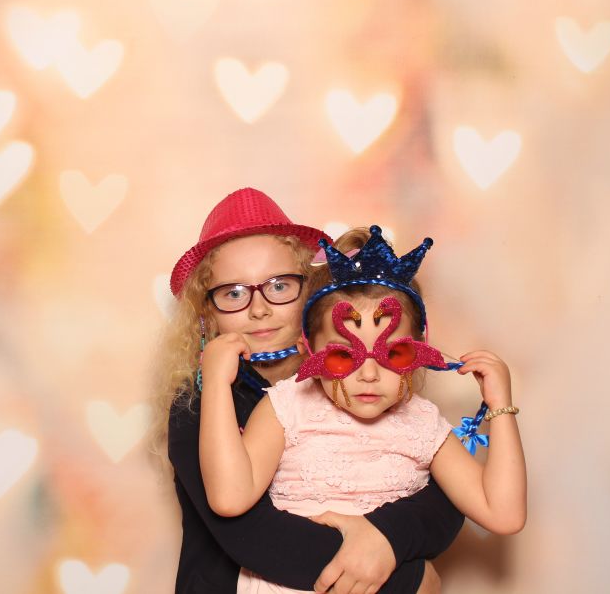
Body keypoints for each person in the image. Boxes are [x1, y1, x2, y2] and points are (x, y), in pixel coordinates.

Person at [151, 188, 463, 594]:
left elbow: (447, 495)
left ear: (313, 291)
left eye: (280, 286)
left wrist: (388, 537)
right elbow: (253, 535)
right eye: (233, 293)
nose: (259, 309)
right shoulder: (196, 403)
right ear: (206, 312)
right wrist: (408, 579)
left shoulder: (353, 379)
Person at [198, 225, 528, 593]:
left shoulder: (422, 424)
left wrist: (500, 407)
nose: (369, 375)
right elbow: (229, 498)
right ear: (308, 349)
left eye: (393, 354)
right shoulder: (286, 408)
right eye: (344, 356)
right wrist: (216, 384)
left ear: (420, 349)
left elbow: (503, 514)